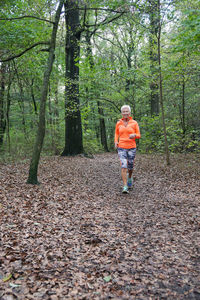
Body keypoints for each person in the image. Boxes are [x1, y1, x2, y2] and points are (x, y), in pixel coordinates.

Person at [115, 105, 141, 194]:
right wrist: (116, 141)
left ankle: (130, 177)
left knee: (130, 166)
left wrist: (134, 135)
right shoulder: (119, 123)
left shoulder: (134, 123)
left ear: (129, 113)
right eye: (124, 111)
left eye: (127, 111)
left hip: (131, 147)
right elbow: (116, 133)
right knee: (123, 165)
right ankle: (125, 186)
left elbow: (139, 135)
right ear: (121, 113)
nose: (125, 113)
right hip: (121, 147)